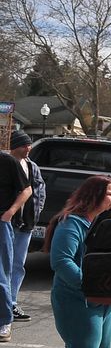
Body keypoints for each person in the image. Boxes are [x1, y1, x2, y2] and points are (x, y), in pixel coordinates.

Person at [45, 175, 111, 348]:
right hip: (77, 302)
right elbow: (62, 262)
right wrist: (89, 288)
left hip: (103, 301)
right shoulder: (70, 224)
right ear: (94, 196)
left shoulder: (98, 221)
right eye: (110, 193)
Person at [0, 130, 35, 343]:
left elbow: (27, 190)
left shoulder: (7, 162)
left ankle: (4, 321)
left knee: (2, 274)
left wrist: (10, 212)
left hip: (2, 221)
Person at [6, 131, 44, 327]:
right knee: (4, 265)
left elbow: (39, 190)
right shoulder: (6, 164)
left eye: (30, 144)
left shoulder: (31, 166)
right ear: (15, 146)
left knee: (17, 265)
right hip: (7, 223)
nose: (29, 148)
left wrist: (35, 213)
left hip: (25, 225)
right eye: (25, 145)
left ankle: (11, 302)